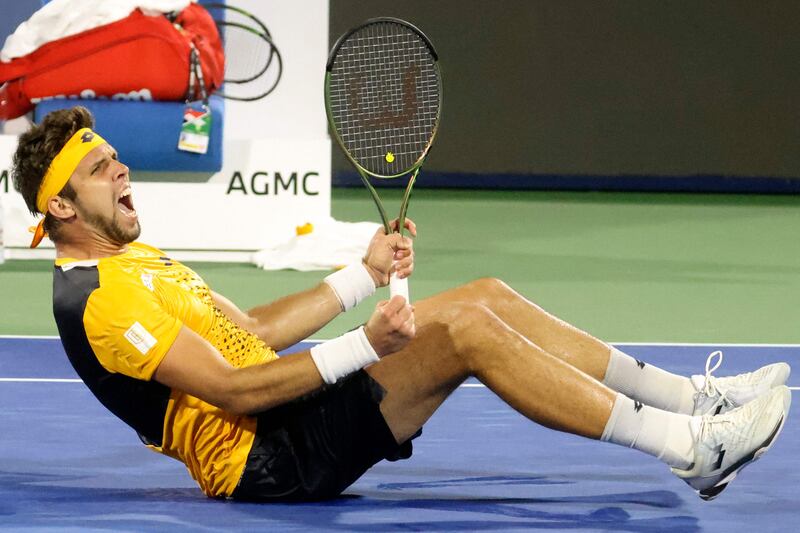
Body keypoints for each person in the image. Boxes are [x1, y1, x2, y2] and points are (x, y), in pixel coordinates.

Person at [12, 106, 790, 502]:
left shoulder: (137, 257)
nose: (122, 173)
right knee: (467, 331)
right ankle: (692, 449)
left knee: (482, 296)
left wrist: (360, 273)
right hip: (266, 460)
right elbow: (232, 387)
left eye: (115, 159)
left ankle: (693, 396)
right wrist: (364, 344)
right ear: (66, 209)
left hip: (285, 418)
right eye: (102, 170)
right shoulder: (97, 297)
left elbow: (246, 333)